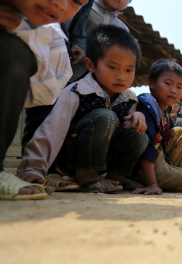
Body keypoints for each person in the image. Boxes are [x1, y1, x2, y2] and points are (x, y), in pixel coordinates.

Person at [17, 24, 148, 194]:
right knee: (105, 117)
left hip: (102, 158)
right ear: (91, 65)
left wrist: (137, 116)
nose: (121, 76)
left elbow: (127, 129)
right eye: (112, 67)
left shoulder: (129, 98)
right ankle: (86, 174)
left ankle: (118, 174)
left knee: (139, 134)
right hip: (70, 157)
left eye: (129, 69)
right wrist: (33, 168)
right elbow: (52, 129)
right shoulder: (76, 91)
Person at [0, 0, 86, 200]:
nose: (60, 5)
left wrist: (20, 28)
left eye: (77, 1)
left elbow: (44, 94)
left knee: (15, 52)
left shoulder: (35, 29)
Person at [131, 59, 182, 195]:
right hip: (140, 167)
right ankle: (146, 179)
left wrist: (180, 170)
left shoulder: (165, 115)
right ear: (151, 82)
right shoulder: (148, 104)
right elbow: (148, 144)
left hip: (159, 162)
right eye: (168, 84)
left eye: (179, 87)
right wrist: (152, 184)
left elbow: (174, 141)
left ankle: (173, 175)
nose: (174, 90)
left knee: (180, 132)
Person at [69, 0, 131, 83]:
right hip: (62, 66)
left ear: (127, 5)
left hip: (88, 84)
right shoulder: (83, 5)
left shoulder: (123, 30)